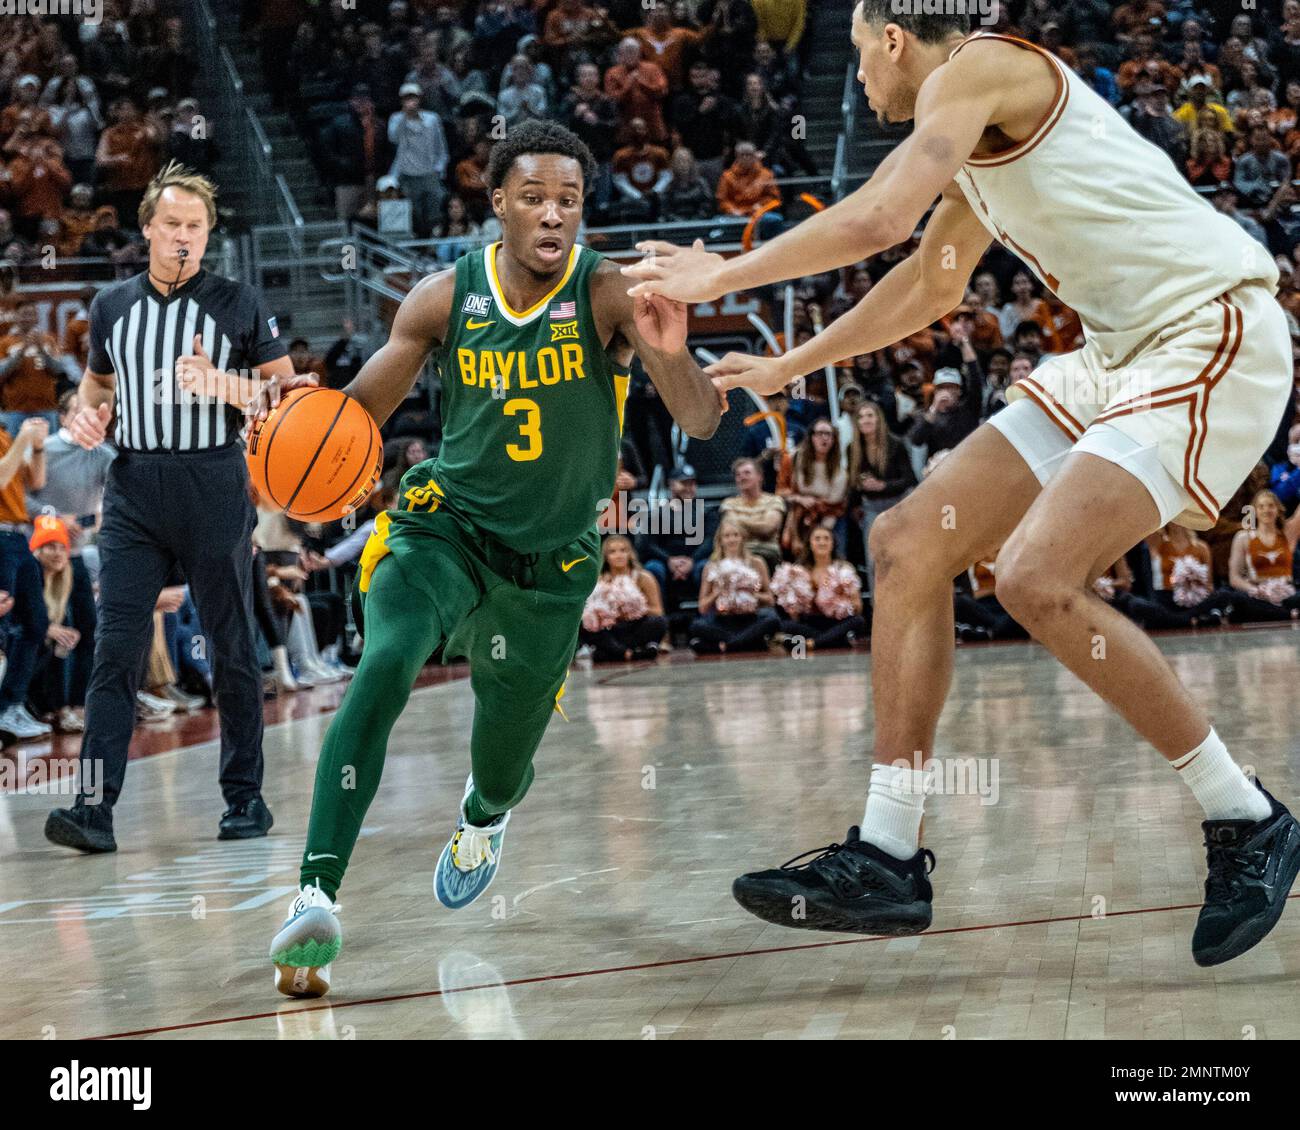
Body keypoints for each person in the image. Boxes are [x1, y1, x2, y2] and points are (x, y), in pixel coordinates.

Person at [624, 4, 1300, 967]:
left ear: (894, 39)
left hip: (1206, 328)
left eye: (859, 54)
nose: (857, 78)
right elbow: (932, 282)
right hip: (1117, 355)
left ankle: (1247, 816)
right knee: (908, 543)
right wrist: (789, 365)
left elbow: (878, 217)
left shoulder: (976, 69)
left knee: (1032, 578)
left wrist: (718, 277)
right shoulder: (974, 129)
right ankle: (890, 852)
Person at [263, 120, 720, 999]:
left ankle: (482, 814)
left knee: (505, 767)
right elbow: (349, 424)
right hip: (445, 531)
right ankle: (315, 891)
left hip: (551, 566)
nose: (554, 216)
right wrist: (288, 425)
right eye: (536, 198)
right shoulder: (442, 298)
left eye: (571, 201)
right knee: (383, 666)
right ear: (499, 203)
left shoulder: (609, 294)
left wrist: (669, 348)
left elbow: (699, 420)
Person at [43, 161, 296, 855]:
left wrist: (219, 383)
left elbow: (290, 395)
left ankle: (245, 798)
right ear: (147, 228)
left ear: (208, 233)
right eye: (173, 225)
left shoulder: (238, 302)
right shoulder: (110, 305)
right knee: (115, 649)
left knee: (231, 645)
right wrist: (84, 417)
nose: (185, 237)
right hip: (132, 488)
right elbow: (92, 393)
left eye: (197, 227)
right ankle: (93, 810)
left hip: (215, 481)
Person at [0, 415, 49, 738]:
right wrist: (22, 441)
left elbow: (36, 482)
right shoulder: (9, 438)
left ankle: (10, 705)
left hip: (19, 535)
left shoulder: (3, 433)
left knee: (35, 623)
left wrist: (38, 446)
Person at [688, 517, 780, 654]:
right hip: (723, 620)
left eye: (736, 535)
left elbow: (770, 600)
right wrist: (718, 592)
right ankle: (749, 643)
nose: (732, 539)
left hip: (750, 618)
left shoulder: (756, 562)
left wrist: (751, 593)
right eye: (727, 536)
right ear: (720, 540)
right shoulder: (711, 566)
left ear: (742, 538)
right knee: (697, 626)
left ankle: (727, 646)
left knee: (773, 619)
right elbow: (703, 607)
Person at [771, 526, 868, 650]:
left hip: (836, 622)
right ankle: (835, 641)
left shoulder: (844, 568)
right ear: (810, 544)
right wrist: (795, 601)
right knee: (784, 625)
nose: (822, 542)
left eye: (826, 538)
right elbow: (795, 615)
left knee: (858, 621)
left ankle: (812, 644)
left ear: (833, 543)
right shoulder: (800, 570)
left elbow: (858, 607)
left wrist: (842, 597)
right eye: (817, 539)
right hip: (811, 623)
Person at [579, 534, 668, 661]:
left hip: (635, 627)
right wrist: (603, 613)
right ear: (606, 556)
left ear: (630, 553)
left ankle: (613, 653)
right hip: (611, 630)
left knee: (658, 622)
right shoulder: (598, 580)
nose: (619, 555)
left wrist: (633, 609)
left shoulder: (644, 577)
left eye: (623, 550)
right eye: (612, 552)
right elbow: (589, 612)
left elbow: (658, 611)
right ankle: (628, 653)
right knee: (582, 624)